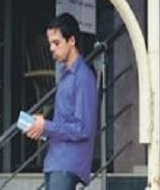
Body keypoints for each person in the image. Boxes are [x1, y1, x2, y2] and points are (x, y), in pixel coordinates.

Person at [24, 13, 97, 190]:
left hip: (68, 162)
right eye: (50, 43)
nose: (51, 48)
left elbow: (83, 129)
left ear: (71, 41)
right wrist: (41, 127)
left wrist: (46, 126)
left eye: (56, 43)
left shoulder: (83, 77)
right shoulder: (65, 76)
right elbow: (63, 121)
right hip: (55, 160)